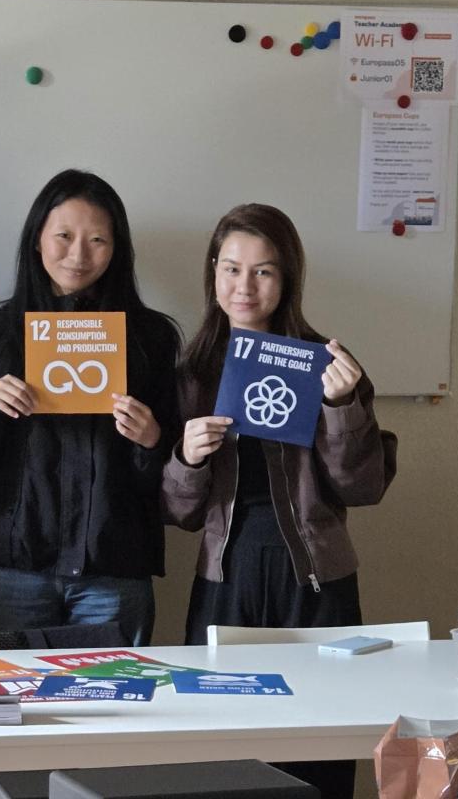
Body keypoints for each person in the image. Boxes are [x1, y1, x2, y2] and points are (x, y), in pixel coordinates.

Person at [161, 203, 397, 799]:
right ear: (213, 273)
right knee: (223, 743)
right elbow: (180, 513)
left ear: (287, 278)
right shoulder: (192, 372)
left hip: (315, 574)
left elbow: (363, 487)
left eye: (263, 271)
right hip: (228, 571)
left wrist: (342, 407)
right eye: (231, 269)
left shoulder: (327, 364)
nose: (245, 286)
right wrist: (187, 458)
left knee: (321, 738)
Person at [0, 170, 180, 645]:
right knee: (13, 688)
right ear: (37, 238)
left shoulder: (150, 338)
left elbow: (171, 482)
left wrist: (151, 440)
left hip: (113, 566)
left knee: (114, 690)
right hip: (17, 565)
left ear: (117, 249)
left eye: (97, 240)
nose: (78, 255)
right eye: (64, 236)